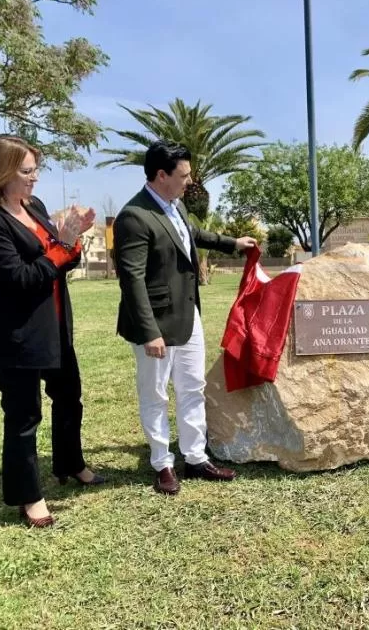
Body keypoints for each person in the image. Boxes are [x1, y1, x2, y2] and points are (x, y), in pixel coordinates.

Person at [0, 135, 104, 528]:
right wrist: (62, 244)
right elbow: (20, 279)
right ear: (3, 171)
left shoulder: (35, 206)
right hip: (15, 335)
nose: (35, 178)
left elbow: (60, 263)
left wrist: (72, 239)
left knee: (69, 398)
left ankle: (71, 464)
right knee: (24, 417)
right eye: (28, 171)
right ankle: (29, 497)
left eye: (35, 170)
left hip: (54, 326)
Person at [113, 140, 257, 495]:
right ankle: (162, 463)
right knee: (156, 393)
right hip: (157, 324)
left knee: (193, 387)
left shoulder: (175, 207)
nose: (189, 181)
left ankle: (194, 457)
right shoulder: (135, 216)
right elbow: (131, 279)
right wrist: (149, 332)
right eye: (184, 175)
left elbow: (192, 236)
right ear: (161, 175)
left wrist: (232, 243)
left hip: (188, 315)